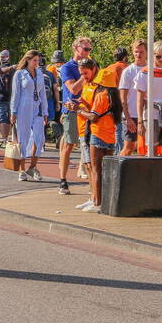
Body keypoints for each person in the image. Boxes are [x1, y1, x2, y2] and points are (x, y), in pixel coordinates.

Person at [73, 59, 120, 213]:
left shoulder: (101, 94)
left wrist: (78, 111)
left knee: (96, 169)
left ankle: (97, 202)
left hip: (98, 133)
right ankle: (102, 201)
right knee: (105, 170)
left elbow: (94, 117)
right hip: (110, 136)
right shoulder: (114, 95)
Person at [57, 37, 93, 195]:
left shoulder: (92, 65)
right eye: (85, 49)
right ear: (76, 48)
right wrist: (84, 74)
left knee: (91, 146)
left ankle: (93, 182)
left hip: (86, 110)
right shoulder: (67, 67)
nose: (88, 53)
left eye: (89, 50)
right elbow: (73, 89)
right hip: (71, 111)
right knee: (69, 145)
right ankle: (63, 181)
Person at [10, 50, 48, 181]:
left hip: (37, 108)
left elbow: (43, 93)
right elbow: (15, 94)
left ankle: (32, 166)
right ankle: (22, 169)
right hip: (23, 108)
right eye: (34, 60)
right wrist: (13, 111)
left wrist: (45, 111)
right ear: (28, 60)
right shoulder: (20, 74)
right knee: (23, 138)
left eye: (38, 61)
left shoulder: (39, 73)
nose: (37, 63)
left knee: (40, 138)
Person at [134, 40, 162, 156]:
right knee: (151, 147)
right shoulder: (144, 73)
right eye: (158, 56)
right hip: (151, 112)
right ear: (152, 55)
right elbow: (139, 99)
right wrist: (139, 121)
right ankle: (151, 172)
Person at [117, 40, 147, 156]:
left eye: (141, 52)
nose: (138, 55)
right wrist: (128, 118)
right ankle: (119, 172)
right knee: (129, 147)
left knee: (148, 147)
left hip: (148, 115)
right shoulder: (128, 71)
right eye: (136, 52)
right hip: (132, 115)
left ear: (146, 52)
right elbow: (123, 98)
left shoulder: (152, 69)